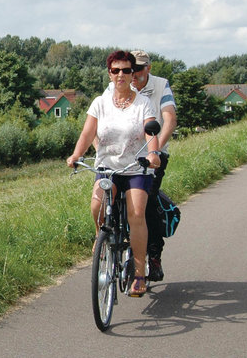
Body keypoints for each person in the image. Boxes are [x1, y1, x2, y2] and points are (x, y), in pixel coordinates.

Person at [68, 50, 161, 297]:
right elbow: (87, 134)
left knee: (137, 213)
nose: (121, 75)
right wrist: (76, 155)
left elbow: (151, 132)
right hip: (108, 167)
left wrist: (153, 154)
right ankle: (101, 235)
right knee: (97, 205)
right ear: (109, 74)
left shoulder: (143, 103)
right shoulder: (100, 103)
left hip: (135, 167)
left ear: (133, 74)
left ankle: (140, 274)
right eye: (115, 70)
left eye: (126, 70)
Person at [128, 50, 177, 282]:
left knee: (146, 201)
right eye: (131, 68)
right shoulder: (120, 84)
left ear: (148, 68)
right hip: (124, 154)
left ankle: (154, 254)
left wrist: (155, 150)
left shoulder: (161, 86)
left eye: (138, 69)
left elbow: (169, 119)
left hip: (153, 154)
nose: (133, 74)